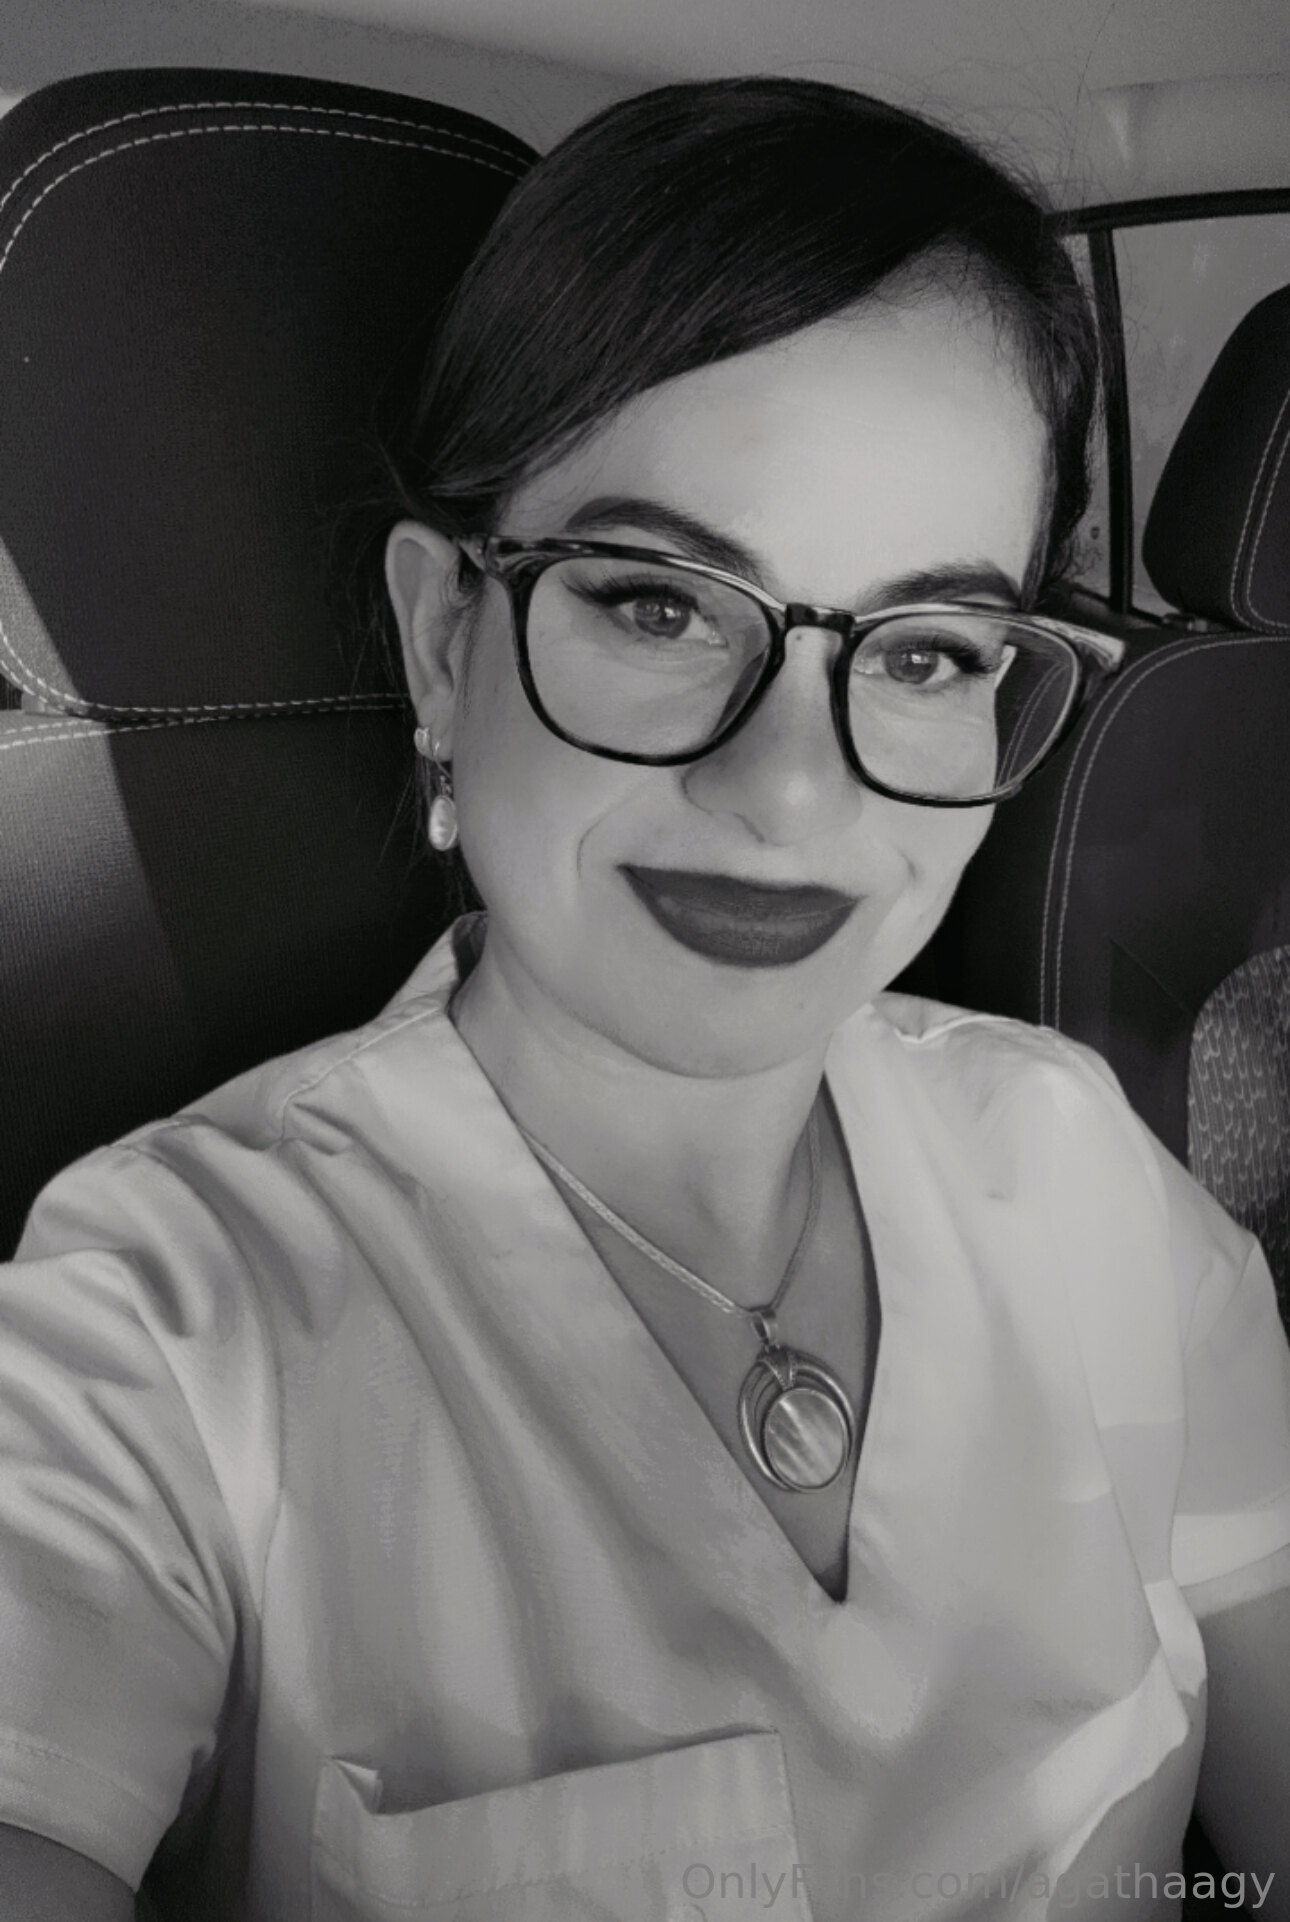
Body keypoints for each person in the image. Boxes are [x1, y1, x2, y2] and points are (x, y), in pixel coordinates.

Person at [0, 74, 1288, 1922]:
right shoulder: (162, 1322)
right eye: (659, 606)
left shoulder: (1078, 1166)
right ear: (443, 637)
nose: (792, 793)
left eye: (927, 650)